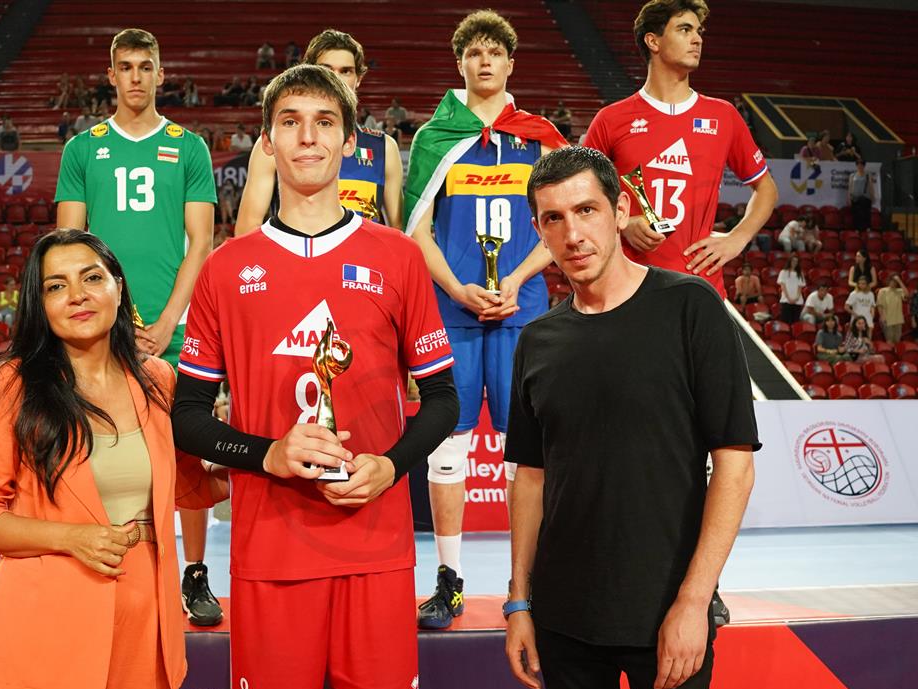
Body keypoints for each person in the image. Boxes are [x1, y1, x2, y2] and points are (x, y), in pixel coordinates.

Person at [171, 63, 457, 689]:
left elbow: (441, 400)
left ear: (349, 141)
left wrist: (390, 465)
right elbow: (188, 417)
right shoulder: (226, 268)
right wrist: (267, 452)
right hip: (272, 548)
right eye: (290, 121)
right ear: (267, 142)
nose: (307, 136)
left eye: (324, 121)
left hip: (375, 544)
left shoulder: (398, 258)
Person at [506, 145, 758, 689]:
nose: (573, 233)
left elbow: (734, 466)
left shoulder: (690, 307)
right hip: (563, 615)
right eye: (553, 219)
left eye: (586, 210)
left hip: (666, 609)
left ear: (620, 210)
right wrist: (520, 600)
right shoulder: (539, 339)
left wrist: (693, 602)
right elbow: (531, 477)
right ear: (539, 230)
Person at [0, 229, 223, 689]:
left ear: (119, 289)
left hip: (145, 633)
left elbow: (190, 484)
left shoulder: (157, 380)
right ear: (39, 303)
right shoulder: (11, 386)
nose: (77, 294)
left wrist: (271, 459)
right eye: (56, 285)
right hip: (45, 631)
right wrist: (70, 537)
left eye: (91, 277)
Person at [405, 10, 567, 628]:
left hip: (523, 313)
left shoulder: (539, 136)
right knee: (447, 450)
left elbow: (563, 223)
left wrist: (517, 280)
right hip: (452, 312)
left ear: (510, 63)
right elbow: (415, 229)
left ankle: (528, 582)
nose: (485, 61)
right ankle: (449, 581)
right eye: (474, 52)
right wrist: (457, 289)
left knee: (527, 453)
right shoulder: (435, 137)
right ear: (461, 64)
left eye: (495, 52)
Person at [56, 27, 220, 626]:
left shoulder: (189, 147)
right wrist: (108, 317)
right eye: (124, 66)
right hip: (102, 330)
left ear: (159, 74)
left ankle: (195, 573)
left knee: (188, 453)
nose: (135, 77)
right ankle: (109, 564)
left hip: (175, 328)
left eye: (144, 66)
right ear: (110, 75)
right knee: (100, 448)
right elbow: (67, 246)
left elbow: (201, 243)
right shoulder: (83, 149)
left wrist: (170, 318)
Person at [584, 0, 777, 297]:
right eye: (685, 30)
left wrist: (737, 238)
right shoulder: (611, 119)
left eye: (699, 31)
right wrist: (621, 224)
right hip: (627, 288)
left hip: (700, 288)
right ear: (653, 41)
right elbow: (582, 198)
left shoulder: (723, 116)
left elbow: (766, 188)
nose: (697, 39)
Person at [237, 29, 405, 232]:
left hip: (364, 254)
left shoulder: (384, 147)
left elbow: (398, 232)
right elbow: (248, 226)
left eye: (346, 71)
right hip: (292, 253)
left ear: (358, 78)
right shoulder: (276, 142)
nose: (336, 79)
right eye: (326, 69)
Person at [875, 274, 908, 344]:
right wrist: (882, 316)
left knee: (897, 340)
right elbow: (879, 305)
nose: (893, 283)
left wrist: (900, 281)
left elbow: (907, 295)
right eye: (892, 281)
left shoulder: (899, 291)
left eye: (895, 282)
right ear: (889, 281)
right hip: (887, 319)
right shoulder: (882, 291)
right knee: (889, 340)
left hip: (898, 319)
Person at [776, 254, 806, 323]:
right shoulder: (783, 272)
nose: (794, 263)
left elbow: (800, 287)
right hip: (786, 299)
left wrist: (797, 298)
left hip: (797, 300)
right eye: (793, 261)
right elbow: (783, 286)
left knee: (795, 321)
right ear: (789, 261)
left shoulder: (800, 273)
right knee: (785, 321)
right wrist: (788, 298)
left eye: (796, 261)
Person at [849, 158, 875, 231]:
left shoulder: (868, 175)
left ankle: (867, 228)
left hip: (865, 198)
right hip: (855, 198)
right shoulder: (852, 175)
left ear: (864, 166)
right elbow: (850, 187)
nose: (860, 166)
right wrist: (849, 197)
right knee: (856, 214)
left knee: (866, 213)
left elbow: (871, 186)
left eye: (861, 164)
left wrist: (873, 196)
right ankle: (857, 229)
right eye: (858, 164)